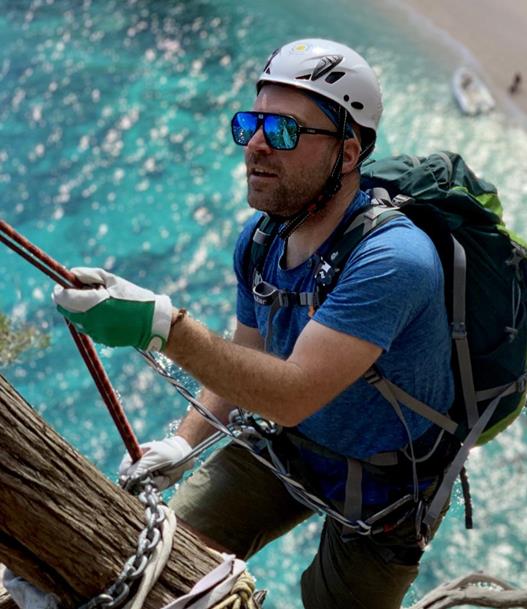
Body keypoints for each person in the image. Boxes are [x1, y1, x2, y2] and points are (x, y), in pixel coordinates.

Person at [53, 38, 455, 609]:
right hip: (288, 447)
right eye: (251, 124)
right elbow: (251, 357)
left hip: (387, 488)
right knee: (157, 557)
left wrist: (164, 327)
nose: (257, 145)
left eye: (285, 130)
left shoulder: (395, 260)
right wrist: (183, 442)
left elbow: (291, 394)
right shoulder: (264, 238)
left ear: (347, 153)